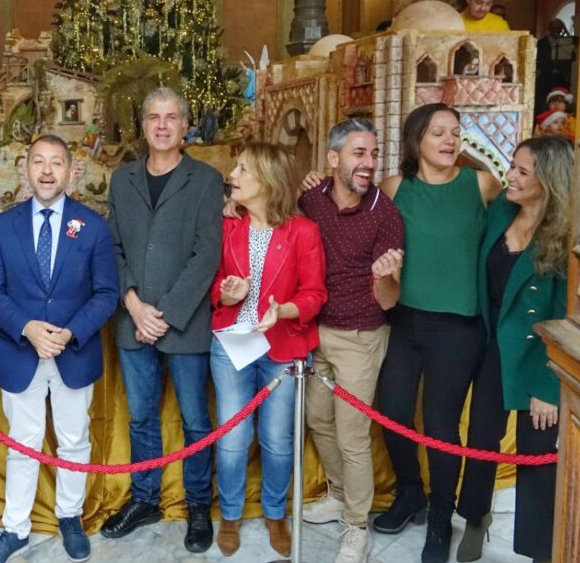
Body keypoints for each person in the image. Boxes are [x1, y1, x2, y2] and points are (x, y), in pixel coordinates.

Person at [0, 135, 119, 563]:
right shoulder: (3, 227)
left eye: (55, 162)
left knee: (74, 441)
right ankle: (15, 528)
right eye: (38, 162)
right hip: (21, 352)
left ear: (70, 170)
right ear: (26, 169)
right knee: (22, 442)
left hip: (73, 353)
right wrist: (27, 328)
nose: (46, 170)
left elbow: (106, 293)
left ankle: (69, 516)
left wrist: (70, 332)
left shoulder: (92, 226)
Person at [372, 104, 501, 563]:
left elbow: (524, 220)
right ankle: (412, 493)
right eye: (438, 132)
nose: (450, 140)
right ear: (417, 141)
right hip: (405, 321)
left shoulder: (481, 185)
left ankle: (442, 519)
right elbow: (347, 208)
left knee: (443, 425)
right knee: (392, 411)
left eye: (456, 132)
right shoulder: (394, 188)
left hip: (460, 326)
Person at [103, 87, 224, 553]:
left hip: (185, 323)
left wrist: (165, 314)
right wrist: (132, 303)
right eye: (153, 116)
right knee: (141, 419)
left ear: (184, 125)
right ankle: (145, 499)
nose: (161, 125)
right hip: (133, 321)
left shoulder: (207, 180)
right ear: (143, 125)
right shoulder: (122, 178)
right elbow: (112, 247)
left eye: (171, 117)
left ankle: (198, 506)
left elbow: (205, 255)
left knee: (195, 419)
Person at [455, 137, 571, 563]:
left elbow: (563, 319)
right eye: (513, 167)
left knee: (537, 457)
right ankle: (475, 518)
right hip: (492, 349)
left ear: (548, 181)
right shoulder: (501, 210)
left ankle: (540, 550)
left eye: (523, 171)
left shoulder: (564, 236)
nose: (512, 176)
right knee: (481, 436)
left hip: (537, 360)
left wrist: (547, 386)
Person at [211, 143, 327, 557]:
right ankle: (229, 514)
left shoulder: (304, 231)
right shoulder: (226, 225)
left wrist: (285, 311)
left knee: (277, 439)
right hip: (232, 345)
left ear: (268, 181)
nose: (233, 174)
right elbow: (213, 283)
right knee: (232, 437)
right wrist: (227, 294)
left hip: (284, 347)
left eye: (244, 169)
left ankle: (275, 513)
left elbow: (315, 293)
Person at [298, 118, 405, 563]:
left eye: (374, 154)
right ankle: (340, 495)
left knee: (352, 435)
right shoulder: (311, 198)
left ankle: (357, 526)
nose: (369, 163)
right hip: (314, 330)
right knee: (317, 420)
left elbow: (390, 300)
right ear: (333, 158)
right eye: (360, 153)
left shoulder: (386, 214)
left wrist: (384, 278)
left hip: (361, 335)